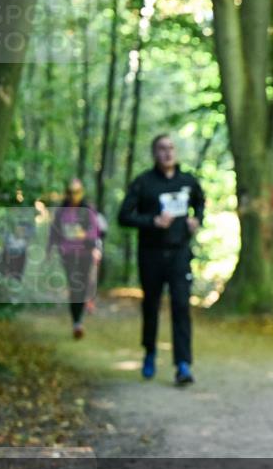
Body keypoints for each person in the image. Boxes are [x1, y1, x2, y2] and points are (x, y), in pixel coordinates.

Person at [118, 133, 205, 385]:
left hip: (179, 254)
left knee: (181, 306)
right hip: (151, 255)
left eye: (171, 148)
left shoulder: (187, 181)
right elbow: (124, 216)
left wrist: (196, 219)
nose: (167, 153)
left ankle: (183, 365)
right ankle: (149, 352)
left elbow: (200, 203)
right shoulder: (143, 183)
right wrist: (152, 222)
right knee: (151, 306)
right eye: (162, 148)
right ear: (154, 153)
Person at [47, 179, 102, 339]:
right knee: (74, 284)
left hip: (85, 252)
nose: (73, 196)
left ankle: (80, 317)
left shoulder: (88, 209)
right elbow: (54, 232)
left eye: (76, 192)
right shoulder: (61, 211)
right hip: (68, 253)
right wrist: (49, 250)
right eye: (70, 192)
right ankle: (76, 322)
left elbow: (96, 231)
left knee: (82, 284)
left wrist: (86, 236)